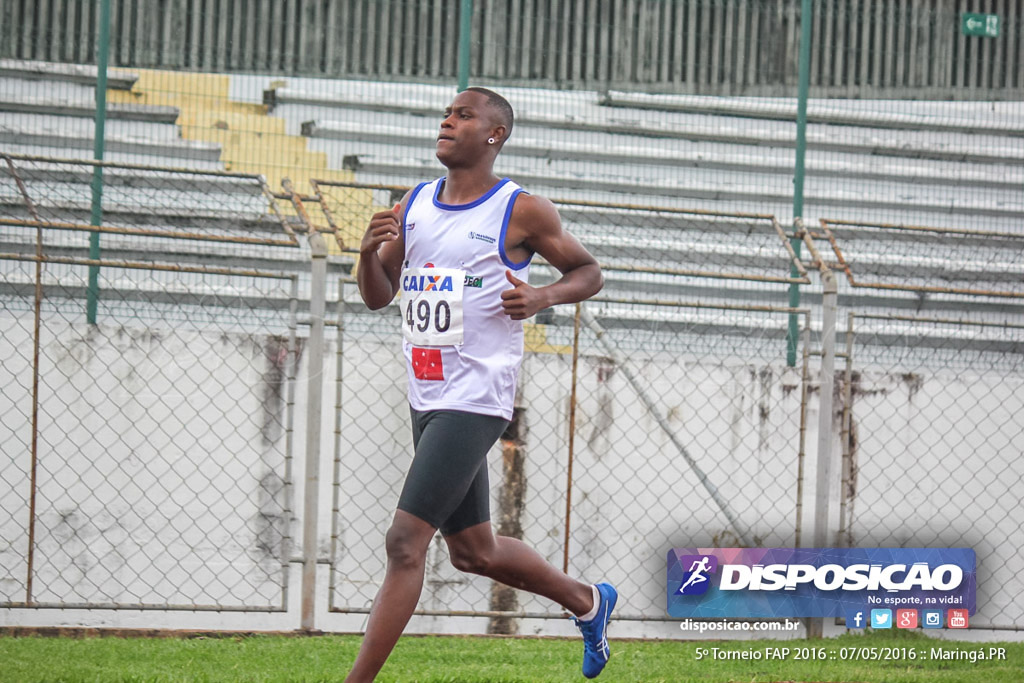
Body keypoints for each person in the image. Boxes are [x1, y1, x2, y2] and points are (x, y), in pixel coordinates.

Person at [347, 86, 616, 681]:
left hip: (476, 397)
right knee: (474, 552)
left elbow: (588, 271)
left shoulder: (521, 210)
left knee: (403, 542)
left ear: (493, 135)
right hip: (427, 393)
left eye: (463, 115)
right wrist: (367, 255)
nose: (447, 121)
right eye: (446, 114)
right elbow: (377, 296)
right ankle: (589, 602)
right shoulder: (412, 203)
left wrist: (542, 295)